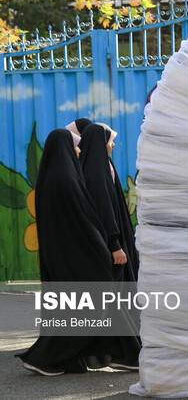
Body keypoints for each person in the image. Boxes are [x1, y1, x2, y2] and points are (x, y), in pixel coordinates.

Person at [16, 129, 114, 376]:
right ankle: (43, 357)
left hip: (60, 256)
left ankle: (70, 359)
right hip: (75, 256)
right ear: (64, 148)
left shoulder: (50, 177)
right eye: (75, 146)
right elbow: (81, 220)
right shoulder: (66, 179)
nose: (79, 150)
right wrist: (103, 248)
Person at [79, 123, 139, 282]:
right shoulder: (97, 175)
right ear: (99, 143)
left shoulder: (99, 167)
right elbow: (104, 210)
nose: (112, 144)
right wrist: (115, 245)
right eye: (109, 141)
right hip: (108, 245)